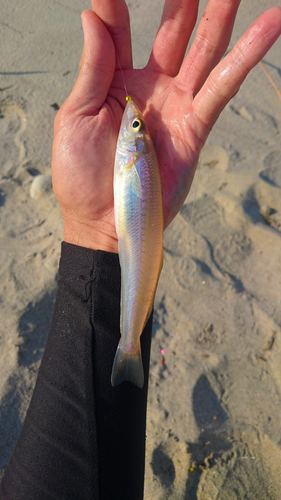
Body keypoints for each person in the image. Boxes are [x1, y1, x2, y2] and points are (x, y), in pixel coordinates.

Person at [1, 0, 280, 498]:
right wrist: (95, 231)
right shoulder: (133, 156)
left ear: (136, 145)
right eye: (137, 127)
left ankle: (127, 346)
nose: (135, 123)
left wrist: (96, 236)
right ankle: (127, 345)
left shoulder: (136, 153)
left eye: (136, 129)